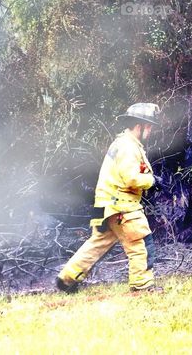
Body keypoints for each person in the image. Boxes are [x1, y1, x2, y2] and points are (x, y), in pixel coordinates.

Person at [57, 103, 161, 292]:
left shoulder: (121, 143)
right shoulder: (129, 147)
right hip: (123, 206)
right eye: (149, 126)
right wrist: (152, 181)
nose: (151, 130)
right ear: (139, 125)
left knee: (97, 244)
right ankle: (142, 286)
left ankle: (67, 279)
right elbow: (131, 179)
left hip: (106, 205)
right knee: (141, 243)